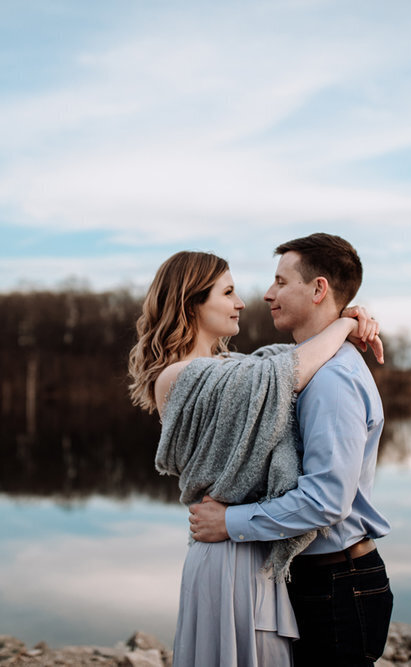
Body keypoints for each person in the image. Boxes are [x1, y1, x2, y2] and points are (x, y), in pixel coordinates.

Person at [128, 250, 382, 667]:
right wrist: (345, 324)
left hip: (247, 547)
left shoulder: (227, 367)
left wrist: (341, 322)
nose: (242, 302)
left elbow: (274, 363)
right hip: (227, 553)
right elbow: (280, 374)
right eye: (228, 292)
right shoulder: (178, 376)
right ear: (192, 303)